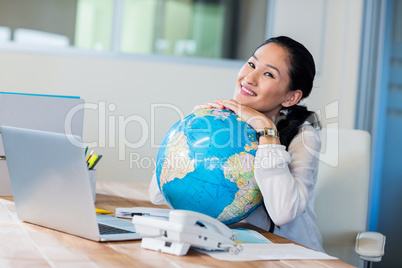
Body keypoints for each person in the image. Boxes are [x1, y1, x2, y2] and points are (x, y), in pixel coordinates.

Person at [148, 36, 324, 252]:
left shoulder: (304, 138)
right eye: (251, 64)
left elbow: (282, 213)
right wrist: (189, 134)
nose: (249, 78)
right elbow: (157, 195)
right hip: (230, 248)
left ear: (290, 97)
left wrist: (266, 130)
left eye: (268, 74)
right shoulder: (221, 123)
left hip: (289, 255)